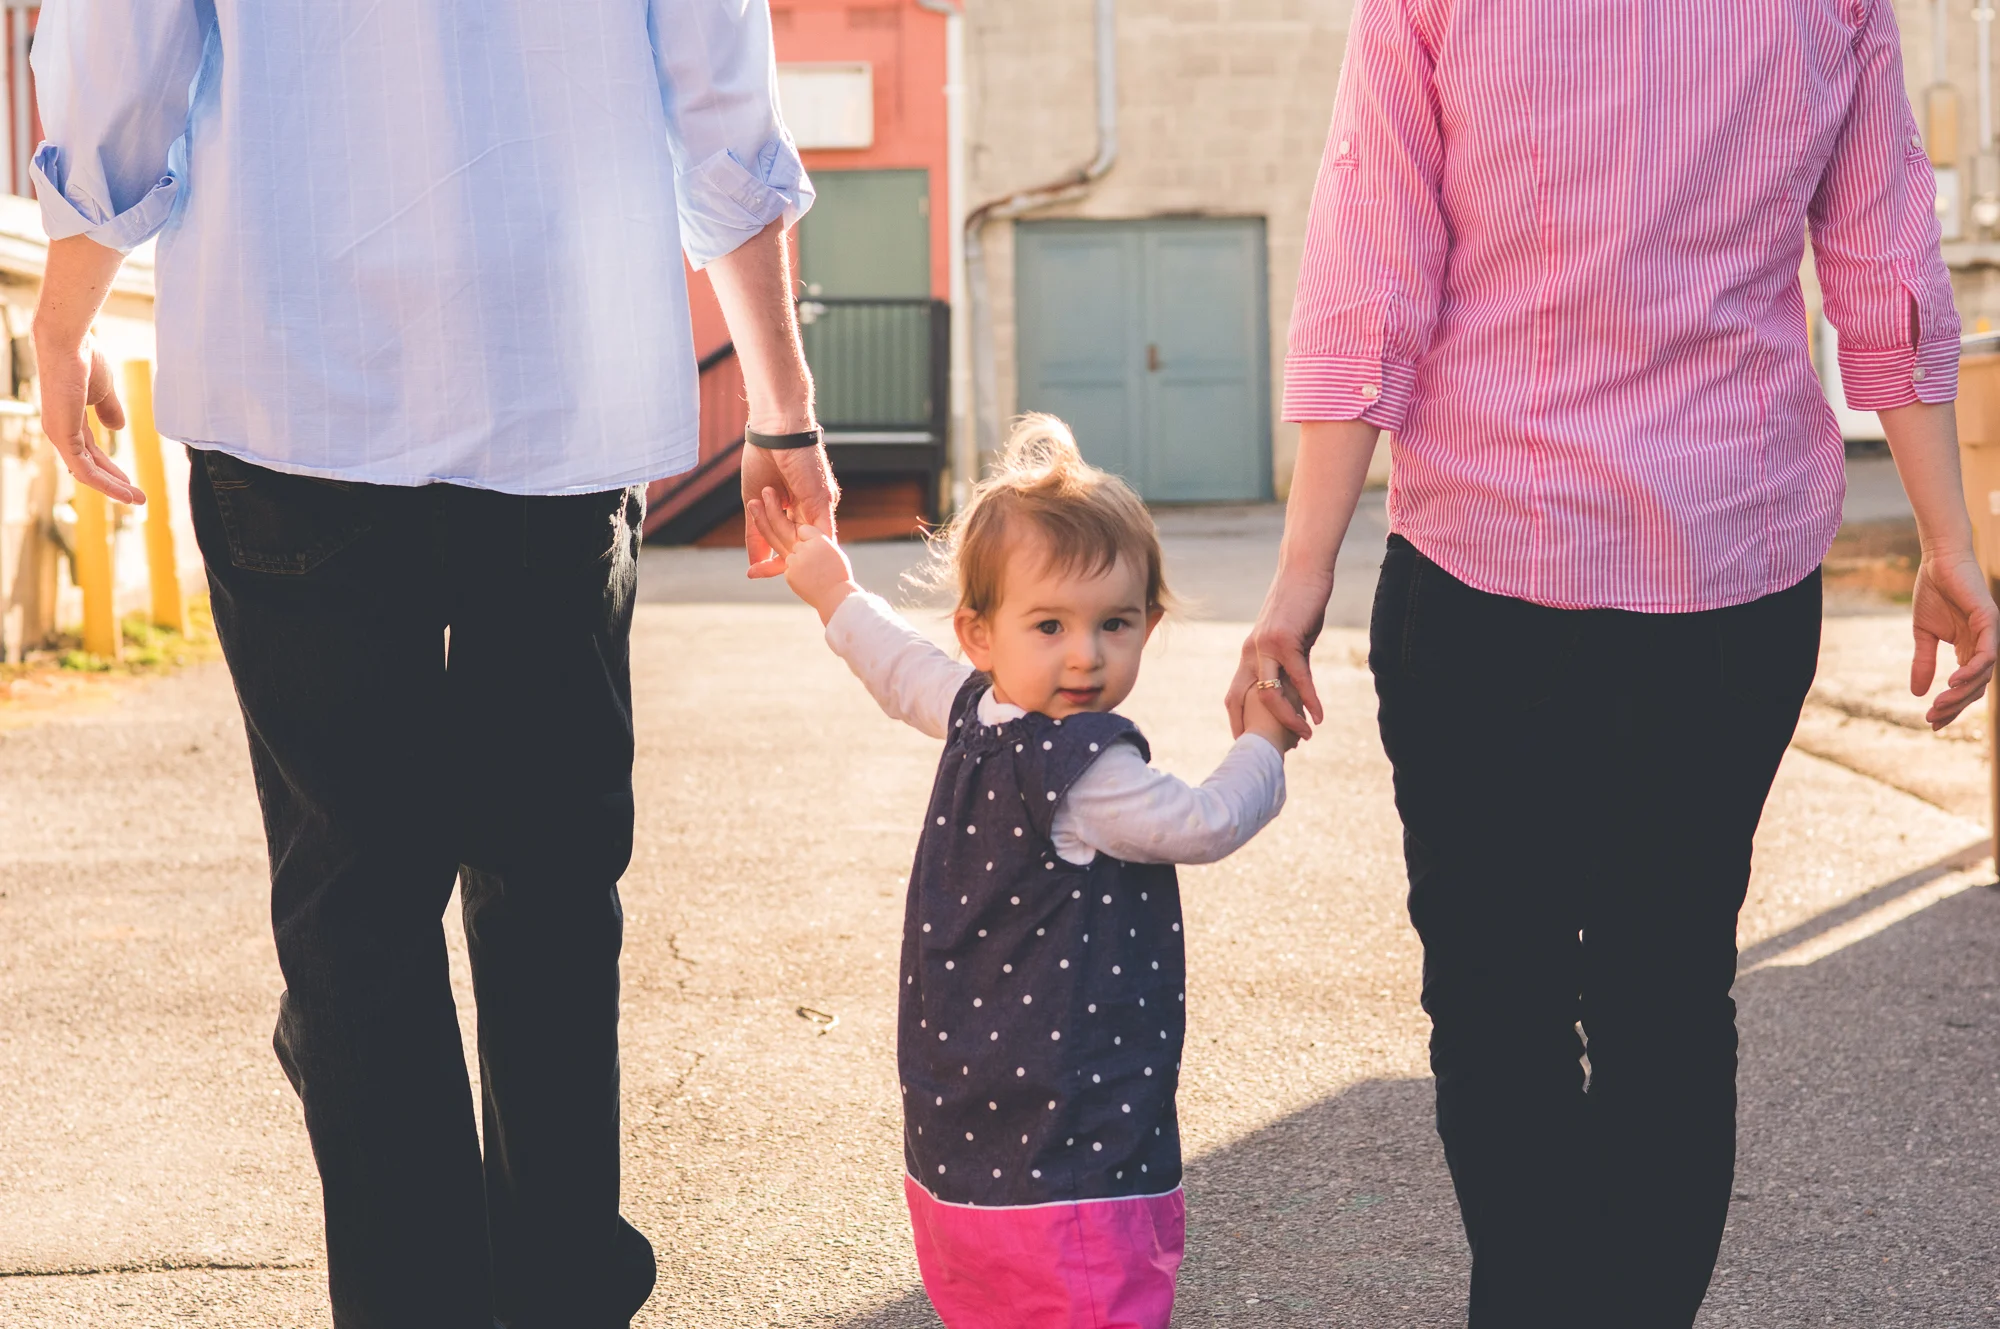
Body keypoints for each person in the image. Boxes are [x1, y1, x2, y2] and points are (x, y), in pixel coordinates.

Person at [28, 2, 834, 1325]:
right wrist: (782, 406)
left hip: (295, 380)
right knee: (552, 887)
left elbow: (120, 48)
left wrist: (68, 309)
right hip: (558, 386)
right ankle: (561, 1291)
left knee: (357, 910)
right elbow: (721, 97)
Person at [1226, 2, 1998, 1326]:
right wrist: (1949, 541)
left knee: (1495, 1004)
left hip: (1479, 569)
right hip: (1731, 571)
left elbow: (1371, 265)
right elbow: (1886, 260)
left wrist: (1301, 575)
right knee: (1667, 996)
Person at [748, 415, 1295, 1329]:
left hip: (962, 1145)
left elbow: (893, 664)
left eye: (1114, 623)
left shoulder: (972, 712)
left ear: (1149, 626)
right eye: (1051, 624)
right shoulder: (1088, 767)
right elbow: (1205, 822)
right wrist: (1263, 742)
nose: (1085, 653)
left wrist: (831, 587)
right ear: (980, 633)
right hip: (1076, 1146)